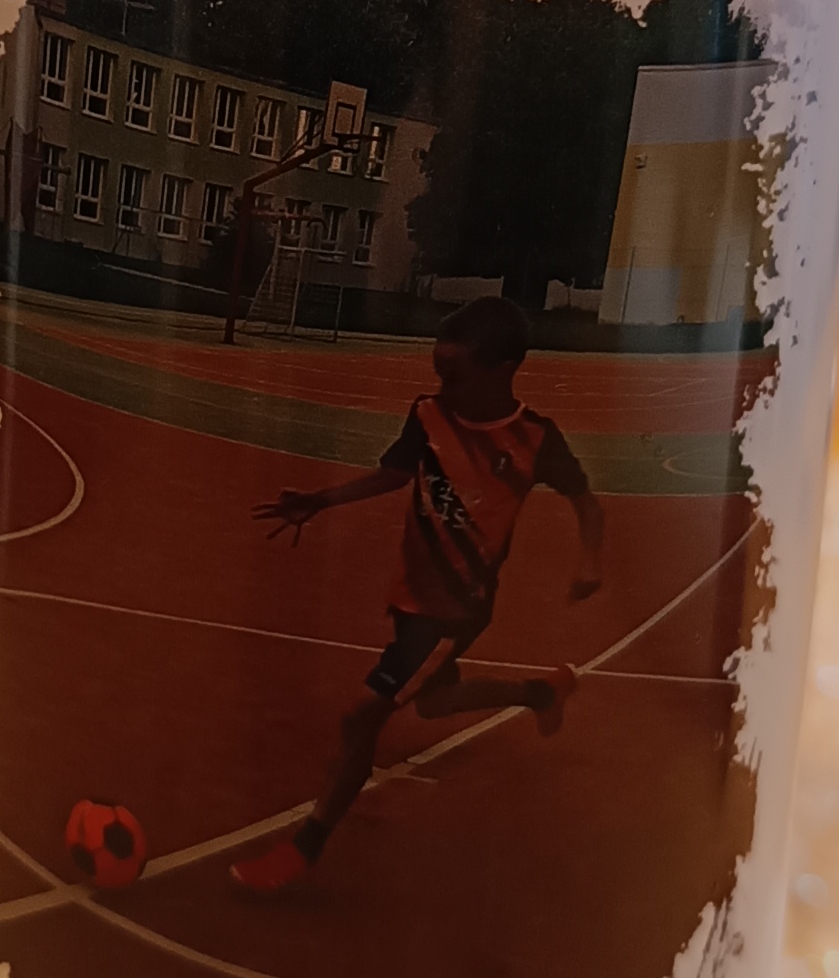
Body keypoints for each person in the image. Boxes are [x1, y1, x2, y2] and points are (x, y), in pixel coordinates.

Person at [230, 292, 605, 893]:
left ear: (504, 370)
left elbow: (585, 502)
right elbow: (395, 474)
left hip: (454, 612)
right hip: (410, 597)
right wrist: (320, 501)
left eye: (455, 371)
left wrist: (588, 560)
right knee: (434, 701)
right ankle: (541, 692)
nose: (441, 382)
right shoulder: (428, 415)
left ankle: (305, 849)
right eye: (438, 368)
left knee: (361, 717)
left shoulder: (534, 439)